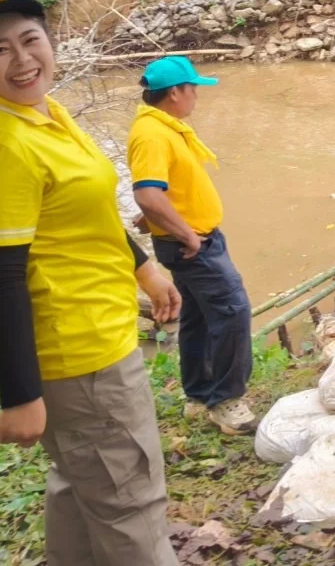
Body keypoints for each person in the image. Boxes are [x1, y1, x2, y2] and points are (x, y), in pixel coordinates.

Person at [0, 0, 182, 566]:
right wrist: (20, 395)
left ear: (50, 41)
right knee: (132, 507)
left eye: (30, 39)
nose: (22, 59)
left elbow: (86, 210)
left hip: (99, 335)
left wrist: (144, 269)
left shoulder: (45, 113)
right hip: (81, 358)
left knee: (80, 488)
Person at [128, 57, 256, 435]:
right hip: (193, 244)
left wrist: (160, 217)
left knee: (198, 316)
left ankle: (199, 395)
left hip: (192, 238)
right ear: (174, 93)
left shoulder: (164, 128)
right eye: (192, 88)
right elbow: (148, 194)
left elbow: (164, 188)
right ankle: (227, 401)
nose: (196, 96)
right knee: (233, 310)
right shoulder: (152, 134)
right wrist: (186, 234)